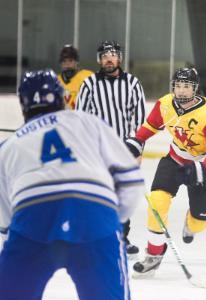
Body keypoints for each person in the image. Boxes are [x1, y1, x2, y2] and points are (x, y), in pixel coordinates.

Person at [0, 69, 144, 299]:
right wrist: (110, 224)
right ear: (60, 97)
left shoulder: (8, 147)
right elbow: (131, 179)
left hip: (33, 219)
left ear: (23, 104)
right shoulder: (88, 122)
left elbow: (7, 221)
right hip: (94, 215)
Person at [125, 67, 206, 276]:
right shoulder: (165, 104)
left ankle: (191, 223)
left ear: (195, 89)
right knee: (157, 201)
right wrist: (137, 141)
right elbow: (151, 125)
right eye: (178, 86)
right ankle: (154, 255)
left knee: (199, 222)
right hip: (175, 159)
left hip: (205, 168)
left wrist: (200, 168)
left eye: (187, 87)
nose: (181, 91)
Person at [76, 40, 146, 256]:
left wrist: (137, 149)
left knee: (122, 195)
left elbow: (142, 122)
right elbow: (80, 118)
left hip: (124, 150)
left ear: (119, 58)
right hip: (97, 150)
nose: (109, 58)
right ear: (99, 60)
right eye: (104, 55)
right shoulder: (89, 84)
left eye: (113, 54)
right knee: (97, 195)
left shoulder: (133, 83)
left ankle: (121, 239)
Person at [57, 44, 93, 109]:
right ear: (61, 64)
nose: (67, 64)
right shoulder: (56, 81)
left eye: (70, 61)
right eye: (64, 61)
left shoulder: (87, 77)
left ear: (76, 62)